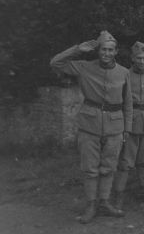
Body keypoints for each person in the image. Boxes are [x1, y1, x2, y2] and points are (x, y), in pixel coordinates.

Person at [50, 30, 133, 223]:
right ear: (98, 50)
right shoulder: (84, 67)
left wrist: (126, 128)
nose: (106, 53)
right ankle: (91, 205)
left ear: (116, 51)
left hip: (115, 125)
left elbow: (128, 103)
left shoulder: (124, 72)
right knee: (90, 168)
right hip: (90, 124)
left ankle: (104, 202)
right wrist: (78, 49)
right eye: (103, 49)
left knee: (109, 167)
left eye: (110, 50)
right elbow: (55, 63)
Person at [113, 42, 144, 209]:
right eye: (139, 58)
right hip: (130, 122)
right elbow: (119, 100)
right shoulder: (124, 75)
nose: (142, 61)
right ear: (132, 59)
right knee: (126, 161)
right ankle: (118, 195)